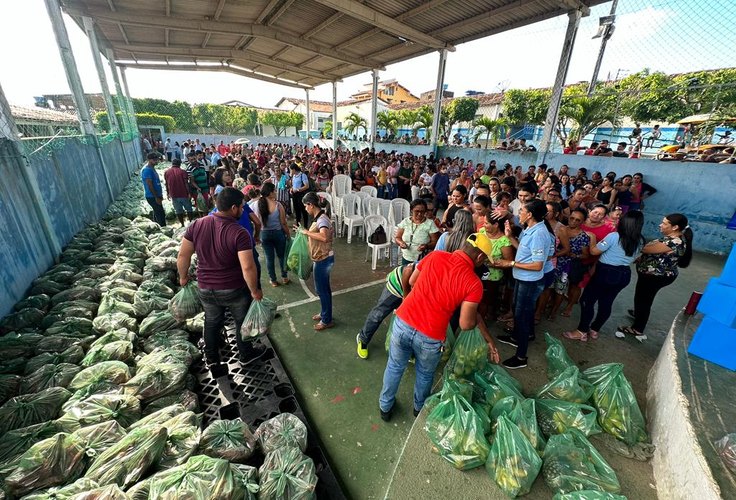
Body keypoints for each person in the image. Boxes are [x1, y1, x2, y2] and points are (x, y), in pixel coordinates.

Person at [378, 233, 500, 421]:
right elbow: (465, 324)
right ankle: (419, 410)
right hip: (430, 336)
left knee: (394, 366)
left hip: (403, 321)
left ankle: (385, 407)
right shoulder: (473, 283)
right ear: (480, 257)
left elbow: (411, 282)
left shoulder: (435, 255)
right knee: (425, 375)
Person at [176, 187, 265, 373]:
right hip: (233, 289)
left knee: (211, 322)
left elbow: (183, 255)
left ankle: (212, 359)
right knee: (242, 322)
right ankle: (246, 355)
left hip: (206, 288)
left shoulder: (197, 225)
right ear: (233, 208)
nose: (242, 210)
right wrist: (255, 290)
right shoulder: (239, 233)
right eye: (241, 206)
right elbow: (248, 266)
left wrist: (183, 277)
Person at [562, 210, 645, 341]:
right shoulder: (640, 240)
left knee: (587, 301)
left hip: (606, 272)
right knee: (606, 303)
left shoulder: (614, 236)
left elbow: (594, 251)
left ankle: (582, 331)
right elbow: (635, 258)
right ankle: (594, 330)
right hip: (624, 274)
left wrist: (592, 238)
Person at [494, 200, 554, 369]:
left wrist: (510, 263)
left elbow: (537, 265)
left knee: (522, 316)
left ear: (530, 215)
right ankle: (516, 337)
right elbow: (524, 251)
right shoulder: (530, 228)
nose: (518, 213)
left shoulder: (539, 234)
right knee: (517, 309)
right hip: (522, 277)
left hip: (530, 280)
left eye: (521, 211)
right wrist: (510, 237)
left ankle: (521, 357)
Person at [617, 213, 693, 340]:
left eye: (664, 223)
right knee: (643, 298)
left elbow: (646, 249)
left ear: (675, 227)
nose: (660, 225)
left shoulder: (674, 242)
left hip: (656, 276)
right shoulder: (671, 238)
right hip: (654, 274)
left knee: (643, 300)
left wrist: (647, 246)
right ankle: (639, 314)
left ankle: (637, 328)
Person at [356, 262, 416, 359]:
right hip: (397, 284)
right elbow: (408, 270)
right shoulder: (433, 264)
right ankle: (363, 339)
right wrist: (405, 296)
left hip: (412, 292)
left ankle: (406, 347)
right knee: (379, 314)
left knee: (408, 320)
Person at [299, 192, 335, 331]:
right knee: (324, 289)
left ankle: (326, 320)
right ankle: (325, 314)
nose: (305, 209)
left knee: (322, 290)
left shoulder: (322, 220)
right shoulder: (319, 217)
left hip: (323, 259)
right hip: (321, 258)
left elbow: (324, 237)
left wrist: (306, 232)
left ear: (311, 205)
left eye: (305, 206)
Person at [549, 208, 592, 319]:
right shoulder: (561, 228)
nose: (573, 221)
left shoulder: (583, 237)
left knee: (560, 290)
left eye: (577, 220)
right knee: (549, 287)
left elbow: (586, 255)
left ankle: (553, 312)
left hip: (566, 268)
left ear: (582, 222)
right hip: (554, 263)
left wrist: (575, 255)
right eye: (572, 218)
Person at [258, 182, 291, 288]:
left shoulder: (259, 204)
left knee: (269, 258)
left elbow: (257, 222)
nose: (276, 192)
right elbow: (283, 223)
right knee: (282, 256)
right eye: (274, 190)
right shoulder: (278, 205)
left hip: (265, 234)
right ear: (270, 193)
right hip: (278, 233)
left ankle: (273, 280)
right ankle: (284, 277)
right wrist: (288, 234)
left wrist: (257, 235)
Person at [395, 199, 440, 265]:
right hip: (406, 256)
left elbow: (435, 242)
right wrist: (401, 243)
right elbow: (397, 237)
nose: (419, 214)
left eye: (422, 212)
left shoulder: (430, 224)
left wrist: (426, 246)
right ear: (411, 211)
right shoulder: (405, 222)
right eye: (417, 211)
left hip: (422, 258)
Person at [164, 158, 194, 227]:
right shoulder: (183, 172)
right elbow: (186, 183)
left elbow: (166, 184)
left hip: (173, 194)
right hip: (184, 194)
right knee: (189, 209)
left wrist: (168, 193)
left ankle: (182, 224)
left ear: (172, 164)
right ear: (180, 164)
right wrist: (189, 193)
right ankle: (191, 223)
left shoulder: (167, 172)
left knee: (178, 210)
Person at [141, 153, 166, 226]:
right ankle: (162, 228)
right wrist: (156, 197)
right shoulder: (147, 170)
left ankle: (156, 227)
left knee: (157, 212)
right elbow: (150, 184)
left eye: (157, 159)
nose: (156, 161)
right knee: (160, 213)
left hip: (156, 195)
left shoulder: (152, 168)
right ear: (149, 160)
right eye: (154, 160)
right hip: (152, 196)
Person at [290, 164, 311, 228]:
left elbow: (307, 186)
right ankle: (298, 225)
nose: (290, 171)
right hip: (294, 194)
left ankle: (305, 226)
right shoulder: (293, 176)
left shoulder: (303, 175)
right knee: (296, 210)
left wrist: (298, 189)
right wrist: (291, 189)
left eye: (291, 170)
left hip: (301, 194)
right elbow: (293, 185)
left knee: (303, 210)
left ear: (294, 169)